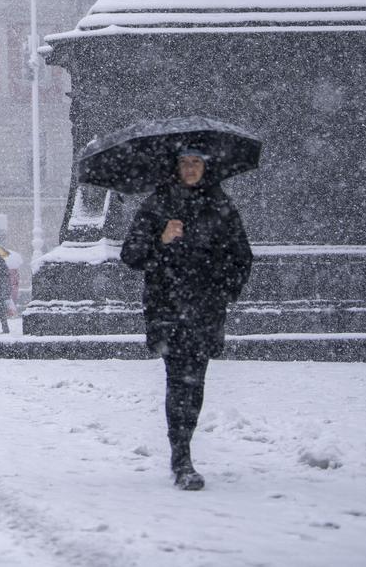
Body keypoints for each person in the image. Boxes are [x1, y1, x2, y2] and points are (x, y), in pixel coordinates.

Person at [120, 150, 254, 492]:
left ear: (206, 167)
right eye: (185, 163)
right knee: (178, 380)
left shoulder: (221, 206)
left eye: (197, 163)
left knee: (195, 384)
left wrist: (222, 287)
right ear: (175, 168)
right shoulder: (157, 206)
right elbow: (131, 254)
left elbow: (241, 256)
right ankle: (181, 458)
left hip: (205, 309)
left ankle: (183, 448)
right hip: (168, 307)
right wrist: (160, 240)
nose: (191, 169)